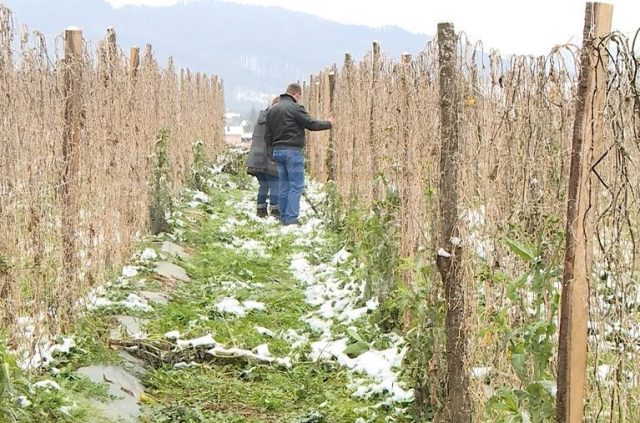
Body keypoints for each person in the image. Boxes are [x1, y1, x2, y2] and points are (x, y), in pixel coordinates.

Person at [265, 83, 332, 225]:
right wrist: (329, 123)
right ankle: (291, 219)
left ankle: (283, 217)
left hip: (278, 151)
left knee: (284, 185)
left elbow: (267, 135)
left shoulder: (272, 110)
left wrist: (271, 153)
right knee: (296, 186)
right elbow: (311, 124)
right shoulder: (295, 108)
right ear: (297, 94)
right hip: (292, 151)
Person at [247, 97, 280, 218]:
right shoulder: (275, 118)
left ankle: (261, 210)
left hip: (256, 156)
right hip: (268, 156)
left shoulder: (262, 117)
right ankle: (275, 211)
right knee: (275, 183)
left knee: (264, 184)